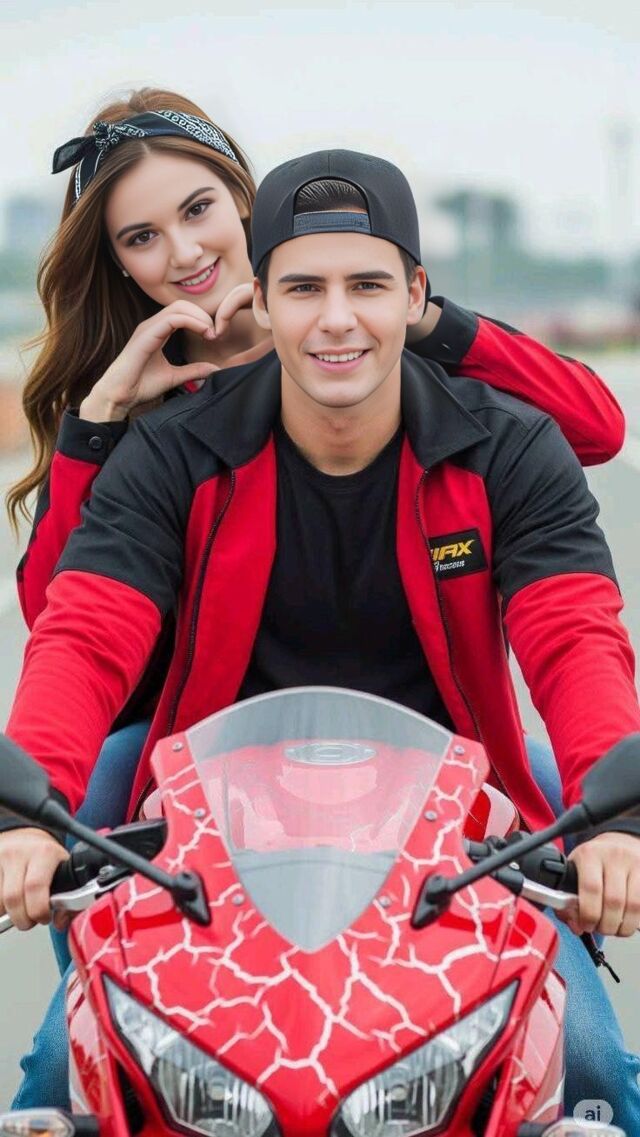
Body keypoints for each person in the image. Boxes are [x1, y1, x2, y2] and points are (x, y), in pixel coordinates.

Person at [0, 114, 631, 1114]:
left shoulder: (509, 445)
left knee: (587, 1066)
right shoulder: (168, 446)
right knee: (60, 1074)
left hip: (460, 837)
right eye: (303, 289)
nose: (336, 319)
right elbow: (81, 631)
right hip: (210, 838)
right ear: (265, 292)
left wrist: (618, 819)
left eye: (367, 286)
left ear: (414, 294)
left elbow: (573, 635)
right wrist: (21, 814)